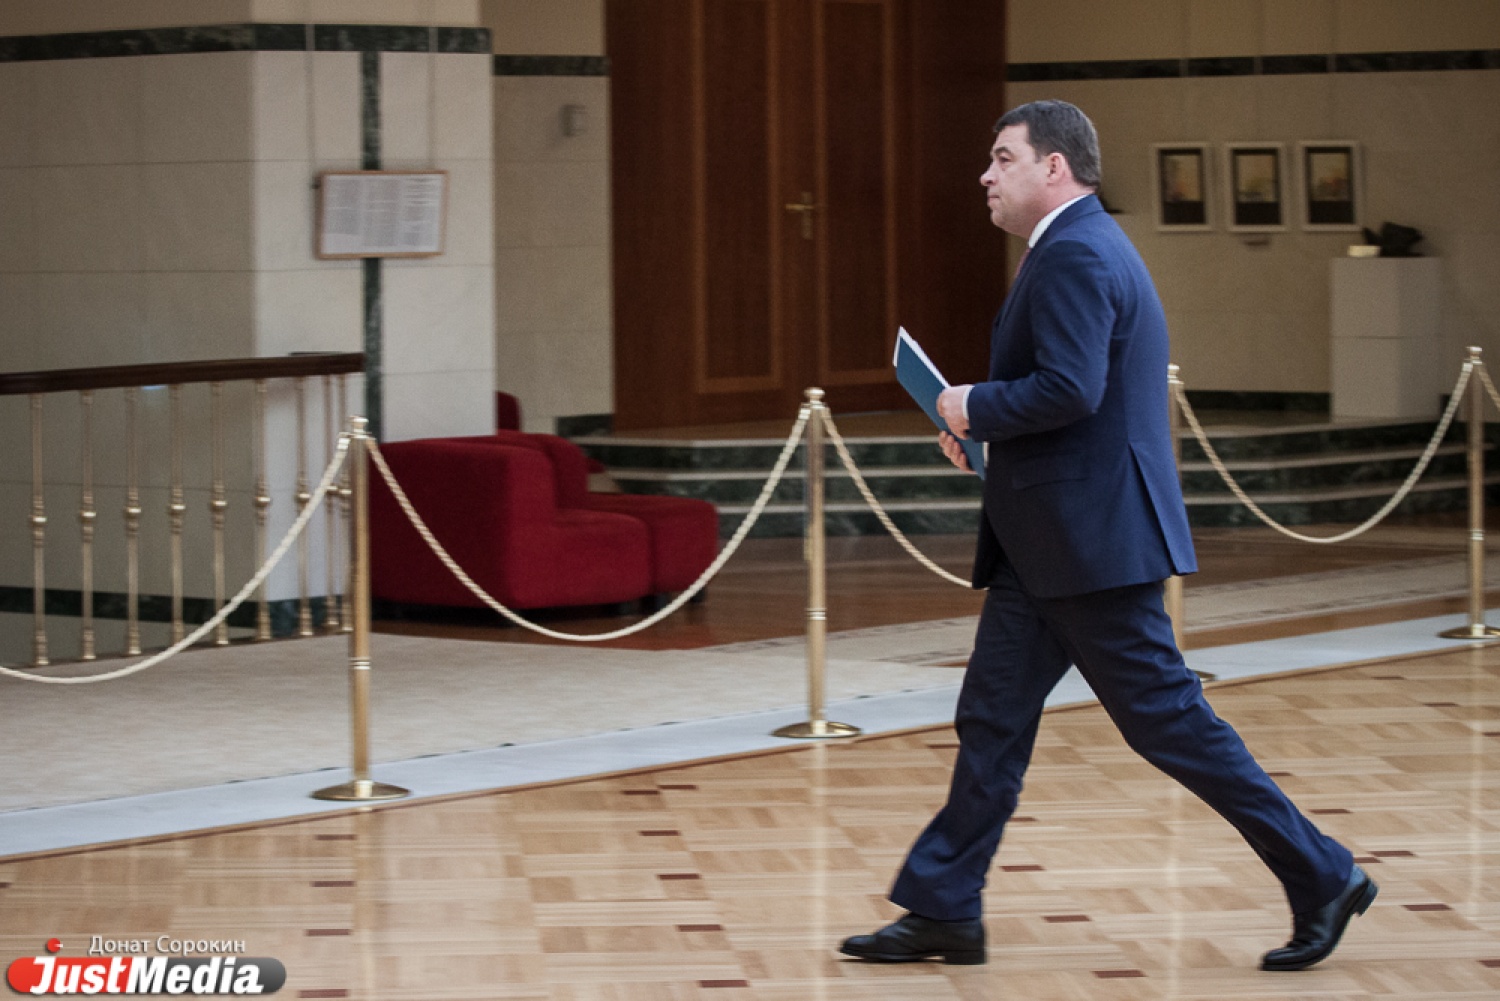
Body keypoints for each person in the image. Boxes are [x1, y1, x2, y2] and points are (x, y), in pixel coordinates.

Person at [838, 100, 1375, 972]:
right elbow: (1072, 403)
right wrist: (985, 433)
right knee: (991, 719)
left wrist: (971, 404)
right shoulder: (1073, 246)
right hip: (1050, 542)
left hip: (1090, 546)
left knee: (1170, 723)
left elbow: (1071, 388)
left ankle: (1324, 874)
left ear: (1054, 167)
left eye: (1002, 157)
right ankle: (944, 906)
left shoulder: (1077, 252)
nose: (985, 174)